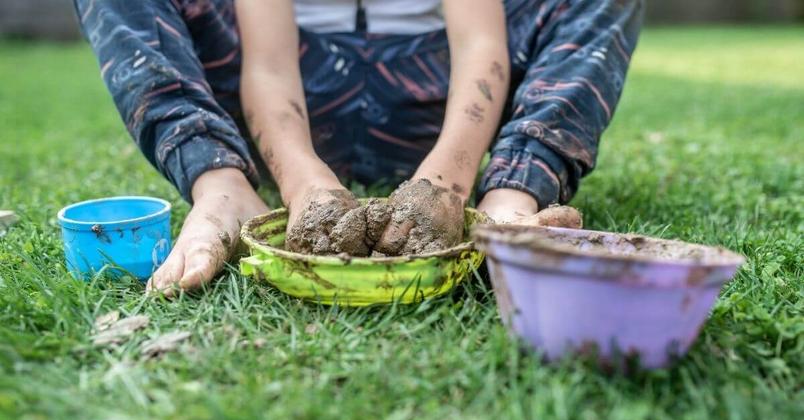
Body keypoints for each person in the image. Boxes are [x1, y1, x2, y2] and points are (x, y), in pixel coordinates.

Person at [73, 0, 642, 293]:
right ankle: (223, 188)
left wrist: (447, 184)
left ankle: (510, 201)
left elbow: (481, 43)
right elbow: (268, 66)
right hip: (292, 86)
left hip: (433, 90)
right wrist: (303, 182)